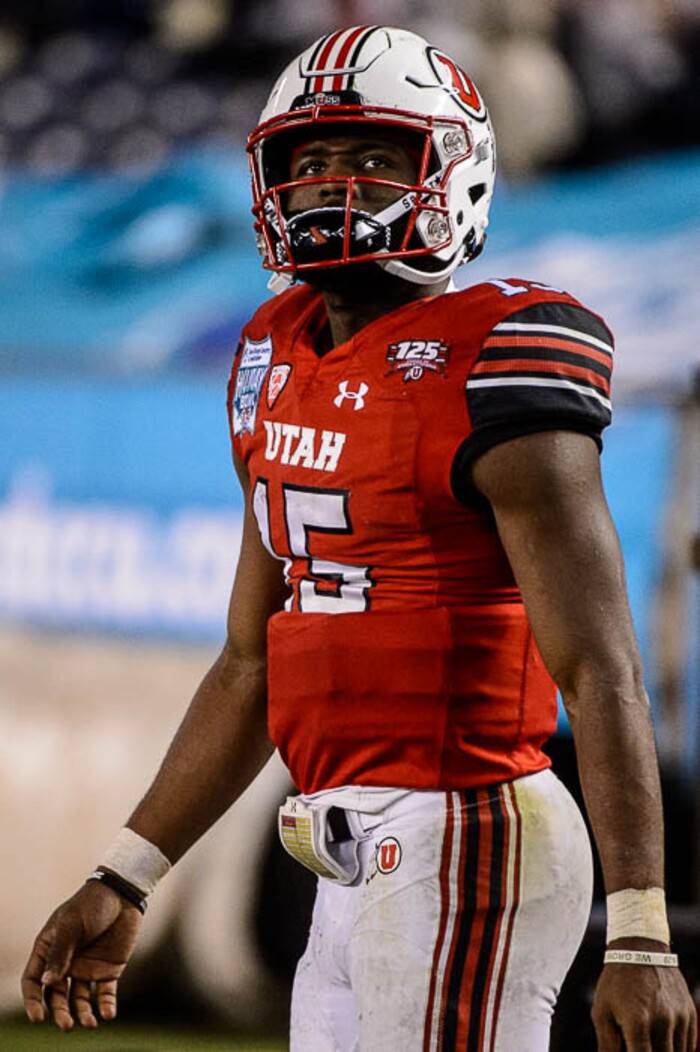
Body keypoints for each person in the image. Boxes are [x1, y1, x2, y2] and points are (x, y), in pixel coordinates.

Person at [22, 24, 697, 1052]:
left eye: (374, 155)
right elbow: (251, 661)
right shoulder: (269, 354)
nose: (333, 182)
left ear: (454, 172)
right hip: (342, 850)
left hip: (467, 826)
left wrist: (642, 931)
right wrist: (128, 870)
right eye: (311, 158)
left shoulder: (498, 356)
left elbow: (601, 669)